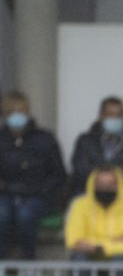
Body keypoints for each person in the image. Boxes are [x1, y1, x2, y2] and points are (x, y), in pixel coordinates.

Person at [0, 90, 66, 260]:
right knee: (3, 214)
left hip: (38, 195)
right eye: (10, 112)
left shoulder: (45, 139)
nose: (16, 116)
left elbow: (58, 174)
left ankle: (28, 262)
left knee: (26, 214)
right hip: (6, 195)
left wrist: (40, 191)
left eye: (20, 112)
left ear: (28, 112)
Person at [70, 96, 123, 197]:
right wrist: (101, 179)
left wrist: (114, 180)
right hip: (90, 190)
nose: (114, 119)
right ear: (101, 116)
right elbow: (80, 168)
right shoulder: (85, 140)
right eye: (110, 115)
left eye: (118, 115)